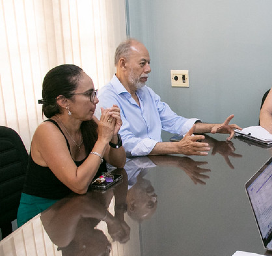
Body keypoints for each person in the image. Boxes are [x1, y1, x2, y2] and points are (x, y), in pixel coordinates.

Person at [17, 64, 126, 226]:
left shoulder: (88, 122)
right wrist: (102, 139)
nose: (96, 100)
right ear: (63, 101)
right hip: (44, 218)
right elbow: (79, 185)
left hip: (78, 210)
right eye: (89, 94)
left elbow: (119, 162)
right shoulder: (47, 131)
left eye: (94, 93)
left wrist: (114, 136)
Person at [97, 38, 241, 157]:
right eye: (142, 63)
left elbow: (174, 122)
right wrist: (177, 147)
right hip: (130, 172)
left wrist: (213, 127)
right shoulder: (107, 98)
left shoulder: (146, 92)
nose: (148, 69)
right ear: (123, 63)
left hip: (155, 164)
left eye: (149, 63)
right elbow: (127, 144)